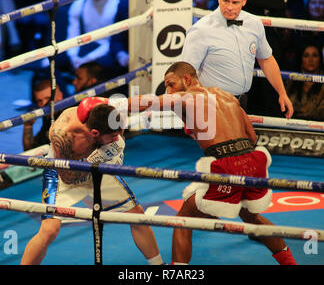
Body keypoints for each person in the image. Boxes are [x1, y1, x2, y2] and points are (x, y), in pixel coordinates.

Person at [128, 61, 297, 265]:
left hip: (227, 167)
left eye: (170, 83)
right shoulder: (228, 97)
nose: (168, 90)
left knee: (183, 221)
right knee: (250, 214)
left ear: (187, 79)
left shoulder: (188, 96)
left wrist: (109, 104)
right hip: (254, 163)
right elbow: (252, 137)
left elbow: (148, 102)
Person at [21, 97, 163, 265]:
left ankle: (159, 266)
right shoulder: (63, 135)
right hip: (63, 174)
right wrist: (95, 160)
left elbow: (121, 123)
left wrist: (114, 149)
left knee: (137, 215)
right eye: (112, 137)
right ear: (95, 133)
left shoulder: (107, 112)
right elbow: (68, 177)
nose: (115, 140)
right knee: (49, 230)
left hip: (97, 168)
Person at [180, 0, 293, 118]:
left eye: (235, 2)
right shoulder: (201, 30)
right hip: (211, 105)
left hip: (242, 103)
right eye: (225, 1)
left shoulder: (254, 24)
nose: (229, 7)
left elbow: (266, 60)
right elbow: (185, 74)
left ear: (244, 0)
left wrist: (282, 93)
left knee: (245, 140)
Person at [66, 0, 127, 73]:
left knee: (105, 65)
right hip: (83, 47)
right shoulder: (78, 5)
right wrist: (73, 57)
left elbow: (113, 41)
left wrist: (88, 59)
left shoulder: (117, 5)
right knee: (56, 61)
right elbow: (72, 36)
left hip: (106, 51)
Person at [23, 80, 63, 151]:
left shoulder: (70, 117)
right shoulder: (47, 119)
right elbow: (31, 151)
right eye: (39, 101)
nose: (44, 104)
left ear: (60, 96)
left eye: (48, 98)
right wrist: (28, 126)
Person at [286, 44, 324, 121]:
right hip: (291, 124)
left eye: (315, 55)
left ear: (320, 60)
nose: (310, 60)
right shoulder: (290, 81)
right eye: (306, 56)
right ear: (301, 60)